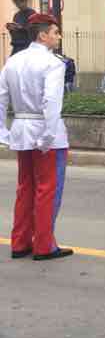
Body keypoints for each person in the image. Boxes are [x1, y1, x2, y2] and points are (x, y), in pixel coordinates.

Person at [0, 13, 73, 260]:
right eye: (55, 32)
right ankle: (43, 244)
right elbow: (51, 102)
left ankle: (20, 241)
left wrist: (3, 131)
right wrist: (48, 137)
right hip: (44, 130)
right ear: (43, 35)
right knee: (46, 190)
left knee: (25, 188)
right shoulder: (53, 63)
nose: (58, 36)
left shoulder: (13, 61)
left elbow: (1, 98)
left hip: (21, 127)